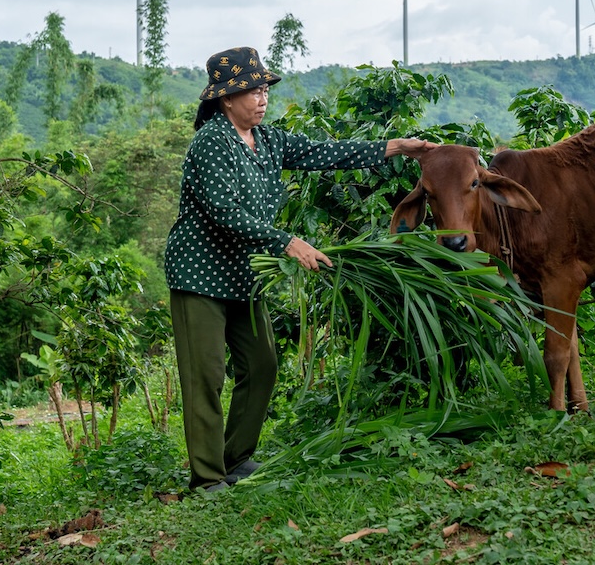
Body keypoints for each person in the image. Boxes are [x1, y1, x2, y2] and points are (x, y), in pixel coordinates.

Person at [163, 45, 436, 491]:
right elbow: (222, 212)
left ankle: (237, 458)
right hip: (200, 273)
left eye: (263, 88)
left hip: (244, 271)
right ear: (225, 99)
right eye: (250, 91)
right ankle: (207, 477)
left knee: (263, 363)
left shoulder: (269, 141)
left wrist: (394, 147)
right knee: (206, 375)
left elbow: (327, 152)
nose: (261, 97)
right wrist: (288, 242)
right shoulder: (212, 142)